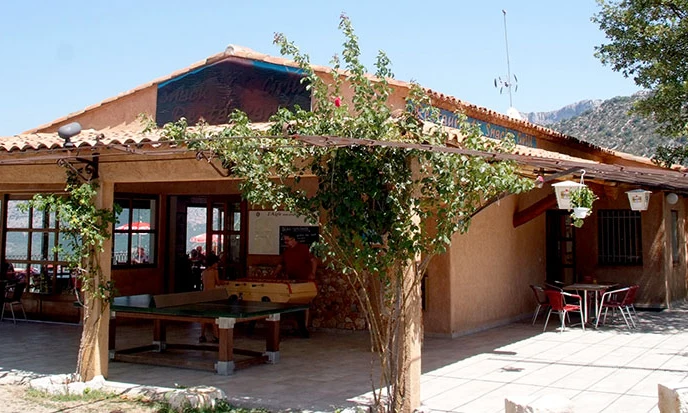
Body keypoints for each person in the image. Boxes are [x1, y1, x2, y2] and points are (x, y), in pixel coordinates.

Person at [271, 233, 318, 337]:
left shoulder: (303, 248)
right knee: (294, 305)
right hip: (292, 282)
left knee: (304, 305)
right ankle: (298, 328)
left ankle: (304, 328)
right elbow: (281, 264)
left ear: (293, 239)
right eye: (285, 241)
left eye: (287, 241)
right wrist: (274, 275)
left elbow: (313, 260)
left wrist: (313, 273)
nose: (286, 243)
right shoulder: (287, 252)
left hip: (304, 281)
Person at [199, 253, 226, 343]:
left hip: (203, 295)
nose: (217, 264)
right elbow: (217, 282)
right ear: (213, 263)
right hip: (211, 296)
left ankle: (202, 335)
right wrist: (225, 283)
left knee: (204, 317)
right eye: (216, 263)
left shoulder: (204, 272)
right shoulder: (214, 271)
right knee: (213, 316)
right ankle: (216, 336)